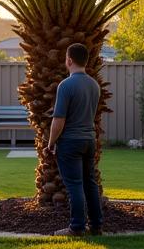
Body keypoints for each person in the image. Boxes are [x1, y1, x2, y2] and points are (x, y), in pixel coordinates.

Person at [45, 43, 103, 236]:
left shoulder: (66, 85)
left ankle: (76, 228)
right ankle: (96, 226)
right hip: (89, 141)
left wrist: (51, 142)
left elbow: (58, 120)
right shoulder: (94, 85)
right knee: (90, 184)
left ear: (69, 60)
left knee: (75, 186)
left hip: (70, 142)